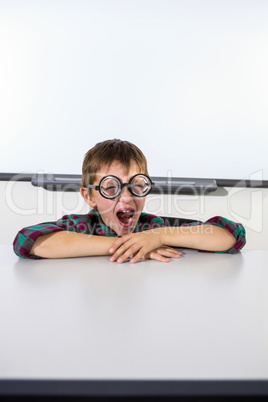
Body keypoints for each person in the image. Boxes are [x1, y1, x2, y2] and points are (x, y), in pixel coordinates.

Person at [13, 139, 246, 263]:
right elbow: (27, 240)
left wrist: (159, 237)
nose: (126, 197)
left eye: (136, 185)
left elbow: (230, 234)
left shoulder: (154, 227)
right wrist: (132, 248)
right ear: (89, 196)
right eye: (110, 187)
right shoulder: (80, 226)